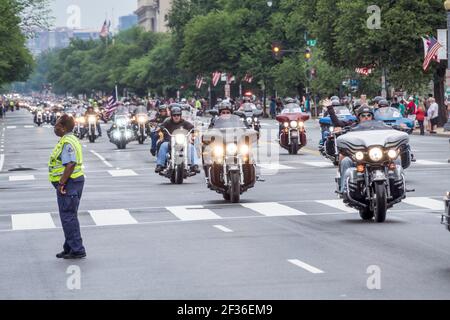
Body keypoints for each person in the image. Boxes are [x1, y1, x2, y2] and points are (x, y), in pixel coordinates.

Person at [324, 99, 406, 194]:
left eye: (369, 115)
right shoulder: (353, 125)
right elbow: (338, 123)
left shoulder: (379, 125)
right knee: (345, 161)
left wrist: (399, 126)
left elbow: (390, 128)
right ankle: (344, 189)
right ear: (359, 117)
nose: (366, 118)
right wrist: (330, 108)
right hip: (359, 156)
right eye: (363, 116)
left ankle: (400, 187)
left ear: (372, 116)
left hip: (378, 155)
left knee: (397, 159)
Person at [49, 115, 86, 259]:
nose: (54, 127)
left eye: (56, 125)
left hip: (69, 183)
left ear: (63, 128)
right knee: (69, 216)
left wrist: (62, 183)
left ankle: (77, 249)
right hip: (74, 182)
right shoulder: (68, 139)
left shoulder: (67, 142)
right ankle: (69, 247)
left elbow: (70, 164)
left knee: (68, 217)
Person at [155, 107, 200, 173]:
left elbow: (192, 128)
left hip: (183, 143)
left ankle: (195, 165)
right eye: (174, 115)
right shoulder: (168, 122)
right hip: (169, 142)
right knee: (163, 145)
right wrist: (160, 129)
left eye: (178, 115)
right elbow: (161, 127)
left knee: (191, 147)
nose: (176, 117)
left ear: (180, 115)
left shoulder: (185, 123)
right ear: (171, 116)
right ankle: (160, 165)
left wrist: (194, 130)